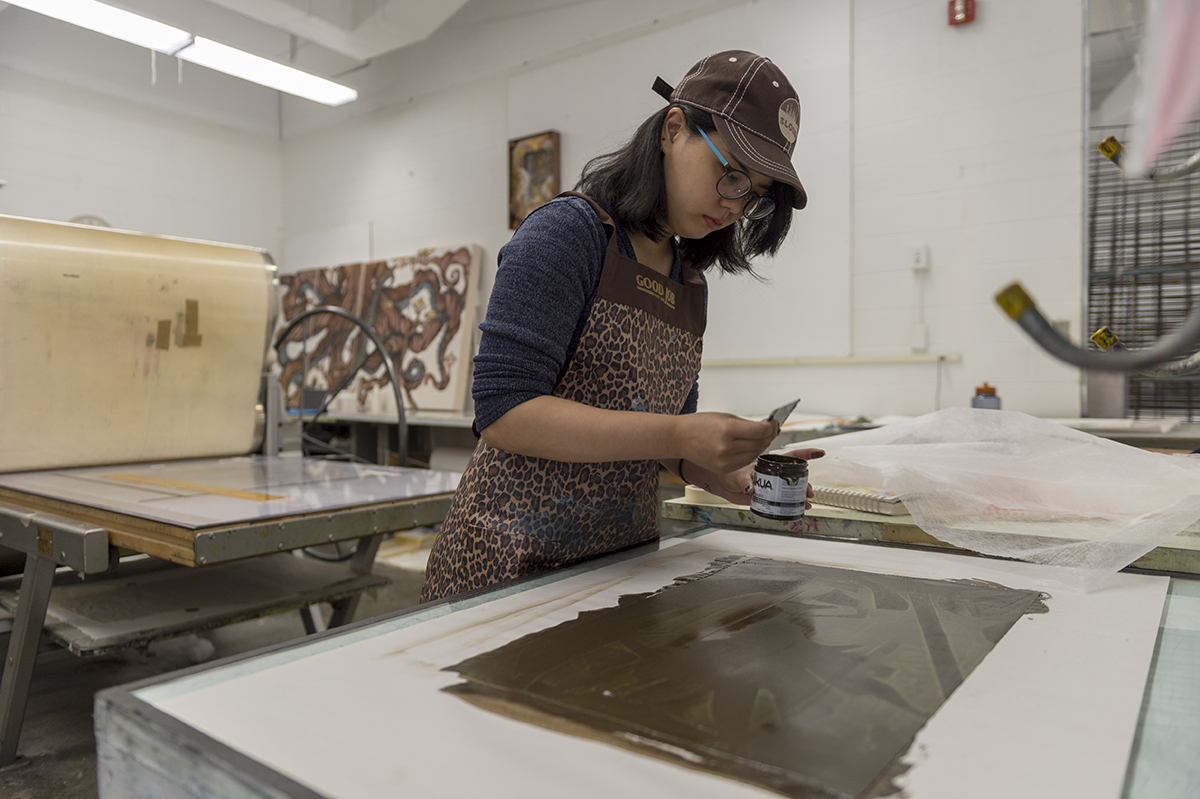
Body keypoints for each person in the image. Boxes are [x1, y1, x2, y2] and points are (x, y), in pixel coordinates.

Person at [421, 50, 824, 603]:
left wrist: (722, 471)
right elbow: (504, 411)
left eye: (752, 194)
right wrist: (680, 434)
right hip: (507, 564)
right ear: (673, 129)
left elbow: (665, 440)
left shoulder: (689, 282)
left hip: (617, 568)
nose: (735, 205)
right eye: (730, 174)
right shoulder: (567, 235)